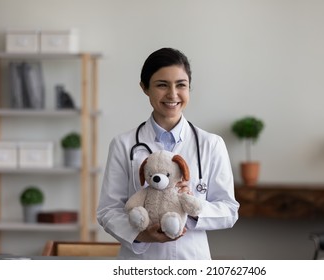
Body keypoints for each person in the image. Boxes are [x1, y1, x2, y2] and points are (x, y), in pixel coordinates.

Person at [97, 47, 239, 260]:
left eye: (181, 85)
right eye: (162, 85)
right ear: (145, 88)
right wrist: (141, 234)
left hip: (190, 259)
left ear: (189, 87)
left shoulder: (211, 144)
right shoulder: (123, 144)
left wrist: (191, 209)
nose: (172, 94)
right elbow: (108, 210)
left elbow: (229, 210)